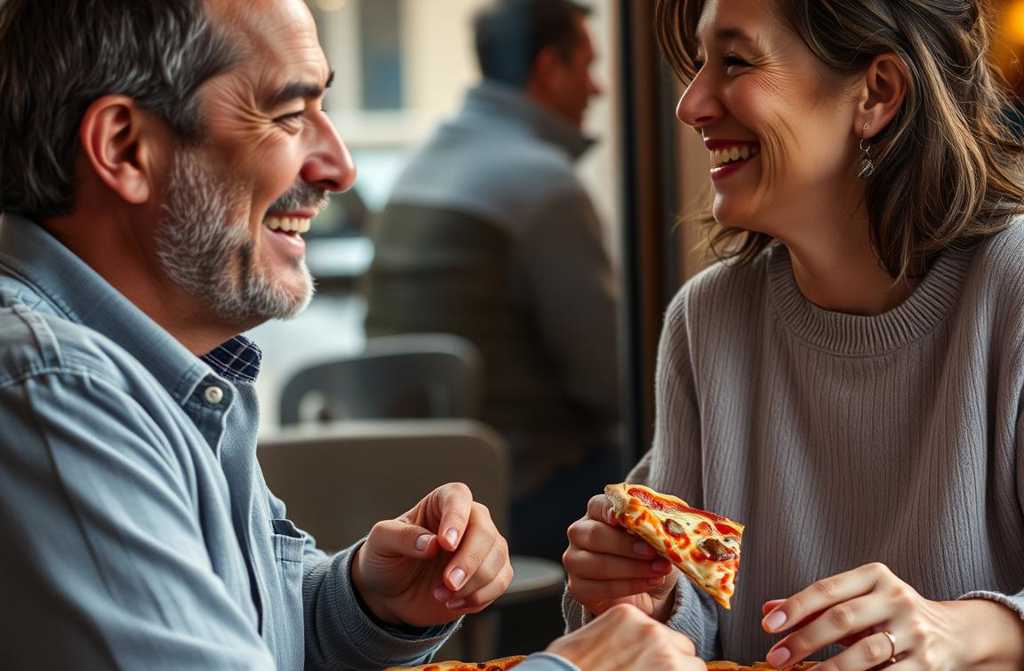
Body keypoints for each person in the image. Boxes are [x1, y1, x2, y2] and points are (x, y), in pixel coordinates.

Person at [0, 1, 703, 670]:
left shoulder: (181, 367)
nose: (340, 165)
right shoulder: (56, 388)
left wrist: (366, 600)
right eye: (289, 114)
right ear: (125, 147)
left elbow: (240, 633)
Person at [562, 0, 1024, 668]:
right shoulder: (708, 321)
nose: (690, 105)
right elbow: (695, 617)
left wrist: (968, 629)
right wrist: (652, 596)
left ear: (878, 93)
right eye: (698, 65)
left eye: (736, 61)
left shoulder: (1011, 287)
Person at [363, 0, 622, 562]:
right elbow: (607, 383)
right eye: (587, 66)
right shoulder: (544, 185)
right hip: (514, 499)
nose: (598, 88)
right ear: (549, 69)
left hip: (404, 491)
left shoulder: (419, 165)